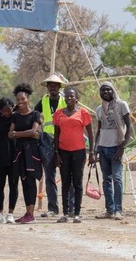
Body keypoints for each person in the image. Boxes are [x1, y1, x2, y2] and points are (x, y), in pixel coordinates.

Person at [53, 87, 95, 224]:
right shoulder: (59, 114)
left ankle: (77, 213)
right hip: (63, 152)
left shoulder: (83, 113)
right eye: (67, 96)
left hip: (79, 152)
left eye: (72, 96)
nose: (69, 98)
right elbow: (56, 134)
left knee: (77, 182)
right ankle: (65, 213)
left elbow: (90, 134)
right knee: (65, 182)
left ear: (77, 98)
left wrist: (92, 152)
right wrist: (56, 153)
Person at [94, 81, 132, 220]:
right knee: (106, 179)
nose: (106, 92)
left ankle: (118, 210)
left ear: (113, 91)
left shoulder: (121, 105)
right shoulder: (99, 109)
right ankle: (109, 210)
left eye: (108, 90)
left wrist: (122, 147)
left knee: (117, 178)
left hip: (116, 147)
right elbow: (99, 130)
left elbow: (129, 127)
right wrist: (95, 149)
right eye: (103, 90)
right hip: (103, 147)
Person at [34, 73, 67, 217]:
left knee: (67, 175)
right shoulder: (43, 101)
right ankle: (53, 208)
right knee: (50, 176)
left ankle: (70, 207)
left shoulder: (66, 101)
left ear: (59, 87)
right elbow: (34, 114)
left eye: (55, 85)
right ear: (47, 87)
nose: (53, 88)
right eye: (50, 85)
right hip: (47, 139)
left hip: (64, 139)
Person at [9, 84, 42, 224]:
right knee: (23, 181)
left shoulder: (35, 114)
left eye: (23, 99)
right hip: (20, 153)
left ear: (28, 98)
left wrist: (18, 134)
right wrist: (24, 134)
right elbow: (10, 134)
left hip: (32, 152)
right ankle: (27, 213)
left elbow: (35, 132)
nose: (20, 101)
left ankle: (31, 214)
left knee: (31, 182)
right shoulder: (15, 116)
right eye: (18, 99)